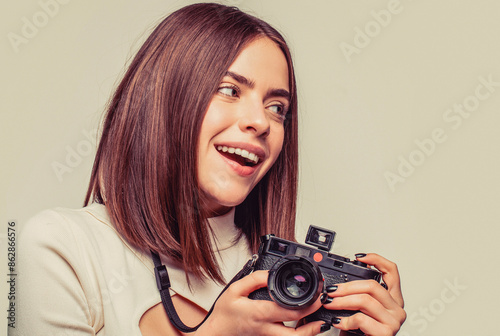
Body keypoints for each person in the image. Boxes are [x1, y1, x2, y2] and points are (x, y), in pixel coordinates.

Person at [16, 3, 405, 335]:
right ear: (164, 98)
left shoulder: (293, 285)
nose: (261, 122)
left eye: (277, 108)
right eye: (229, 90)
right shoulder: (61, 247)